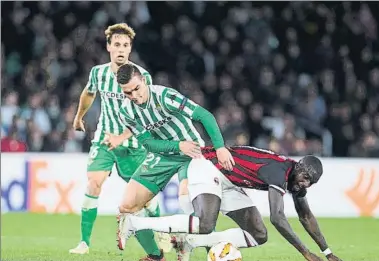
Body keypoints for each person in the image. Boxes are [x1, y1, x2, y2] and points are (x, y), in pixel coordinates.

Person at [117, 146, 343, 261]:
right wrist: (305, 253)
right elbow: (277, 217)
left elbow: (306, 217)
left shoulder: (296, 181)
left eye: (310, 183)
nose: (304, 185)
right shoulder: (280, 171)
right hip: (209, 166)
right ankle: (134, 223)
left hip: (230, 181)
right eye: (304, 178)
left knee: (258, 234)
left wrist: (327, 251)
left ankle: (189, 243)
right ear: (299, 168)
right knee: (205, 223)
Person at [69, 23, 167, 261]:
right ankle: (84, 242)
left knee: (147, 199)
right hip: (104, 139)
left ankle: (162, 232)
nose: (121, 49)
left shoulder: (142, 76)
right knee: (94, 183)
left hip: (133, 145)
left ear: (130, 49)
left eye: (125, 45)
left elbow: (147, 113)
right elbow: (89, 93)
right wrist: (79, 116)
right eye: (117, 45)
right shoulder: (98, 73)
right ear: (108, 47)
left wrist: (123, 136)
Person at [102, 63, 234, 232]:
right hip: (164, 154)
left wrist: (220, 147)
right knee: (126, 207)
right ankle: (156, 256)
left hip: (192, 152)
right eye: (128, 92)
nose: (134, 95)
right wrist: (178, 146)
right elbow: (149, 144)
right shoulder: (126, 113)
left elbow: (204, 115)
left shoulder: (166, 96)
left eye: (137, 88)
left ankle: (211, 249)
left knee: (187, 201)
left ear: (143, 80)